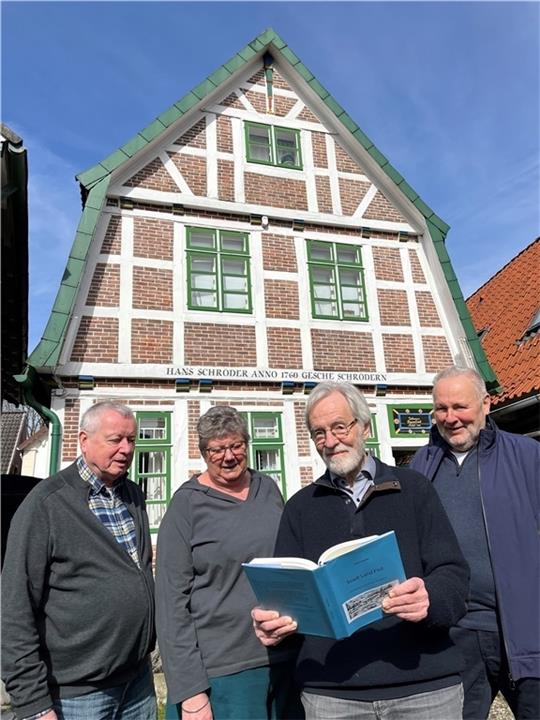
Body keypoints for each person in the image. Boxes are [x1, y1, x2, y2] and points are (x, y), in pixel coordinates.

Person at [252, 381, 469, 720]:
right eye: (319, 432)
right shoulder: (299, 508)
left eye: (340, 426)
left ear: (364, 426)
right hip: (332, 695)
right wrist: (274, 625)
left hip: (424, 687)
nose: (331, 440)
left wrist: (431, 598)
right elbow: (290, 599)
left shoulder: (414, 489)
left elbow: (454, 574)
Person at [1, 401, 156, 720]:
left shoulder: (133, 496)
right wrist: (33, 704)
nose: (126, 449)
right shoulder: (46, 505)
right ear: (84, 440)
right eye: (115, 439)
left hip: (138, 682)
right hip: (76, 695)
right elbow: (14, 608)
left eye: (132, 440)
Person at [155, 405, 302, 720]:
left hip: (284, 657)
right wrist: (190, 691)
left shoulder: (268, 489)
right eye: (217, 450)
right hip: (223, 671)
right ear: (203, 453)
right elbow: (170, 604)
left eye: (236, 445)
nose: (229, 456)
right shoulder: (186, 505)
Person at [411, 365, 540, 719]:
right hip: (456, 634)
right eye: (441, 408)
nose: (451, 418)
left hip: (527, 630)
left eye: (460, 407)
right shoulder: (422, 466)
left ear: (485, 404)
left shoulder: (527, 455)